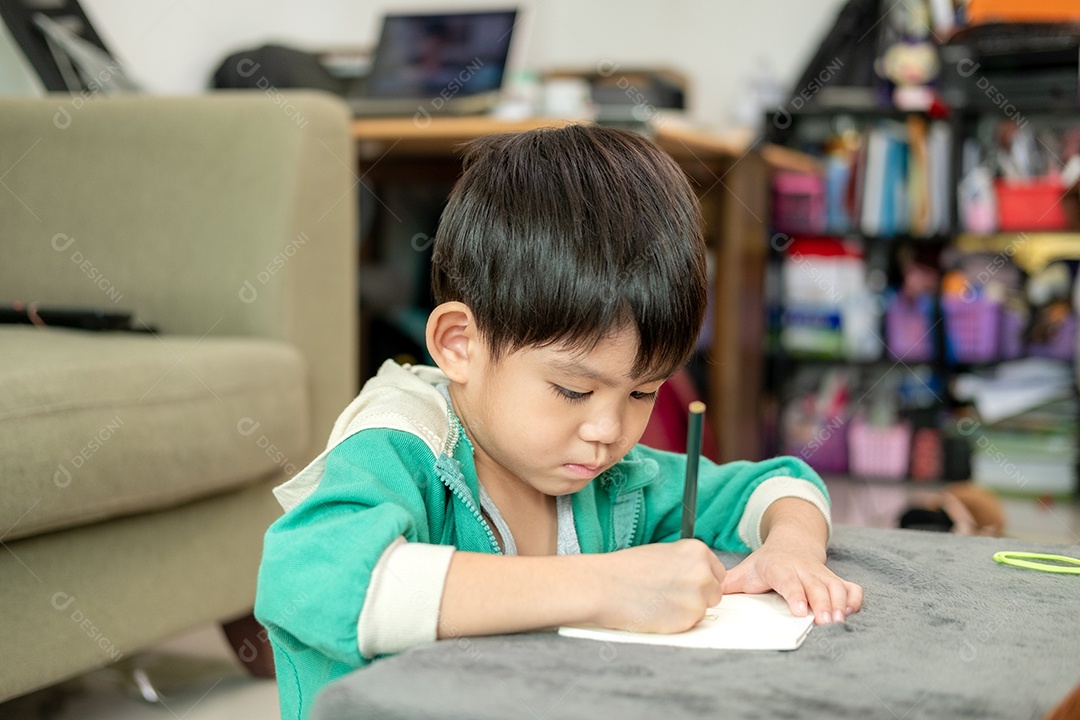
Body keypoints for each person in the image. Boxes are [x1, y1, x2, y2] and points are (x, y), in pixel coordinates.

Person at [255, 124, 863, 720]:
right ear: (460, 344)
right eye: (573, 390)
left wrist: (793, 547)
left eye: (643, 392)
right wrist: (603, 586)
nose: (609, 431)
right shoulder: (401, 444)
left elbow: (776, 485)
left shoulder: (607, 478)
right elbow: (310, 582)